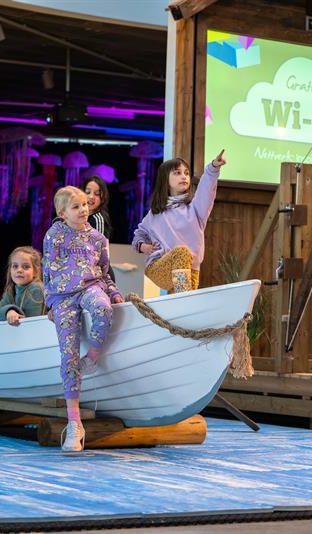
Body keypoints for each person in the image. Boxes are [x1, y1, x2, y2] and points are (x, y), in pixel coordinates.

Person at [43, 186, 123, 452]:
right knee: (68, 354)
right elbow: (47, 271)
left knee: (103, 309)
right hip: (63, 296)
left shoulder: (98, 238)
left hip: (90, 288)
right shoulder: (54, 235)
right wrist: (49, 304)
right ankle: (75, 424)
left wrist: (113, 293)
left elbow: (104, 272)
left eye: (85, 204)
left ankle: (94, 356)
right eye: (76, 207)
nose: (83, 210)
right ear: (62, 213)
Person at [132, 149, 227, 293]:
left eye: (186, 173)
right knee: (182, 253)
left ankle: (180, 304)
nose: (184, 176)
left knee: (180, 306)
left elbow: (206, 190)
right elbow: (139, 234)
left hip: (190, 270)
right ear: (165, 179)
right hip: (159, 267)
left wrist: (213, 168)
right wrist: (144, 246)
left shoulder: (196, 209)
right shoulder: (155, 213)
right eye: (177, 173)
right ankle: (184, 300)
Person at [0, 246, 45, 326]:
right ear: (10, 270)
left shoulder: (36, 288)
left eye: (25, 267)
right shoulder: (11, 289)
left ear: (35, 271)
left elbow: (31, 322)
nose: (19, 270)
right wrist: (9, 311)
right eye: (15, 266)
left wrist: (15, 314)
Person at [83, 175, 116, 282]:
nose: (91, 196)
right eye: (87, 192)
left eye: (97, 194)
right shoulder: (80, 218)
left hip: (99, 276)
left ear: (102, 198)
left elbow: (98, 254)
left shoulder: (98, 219)